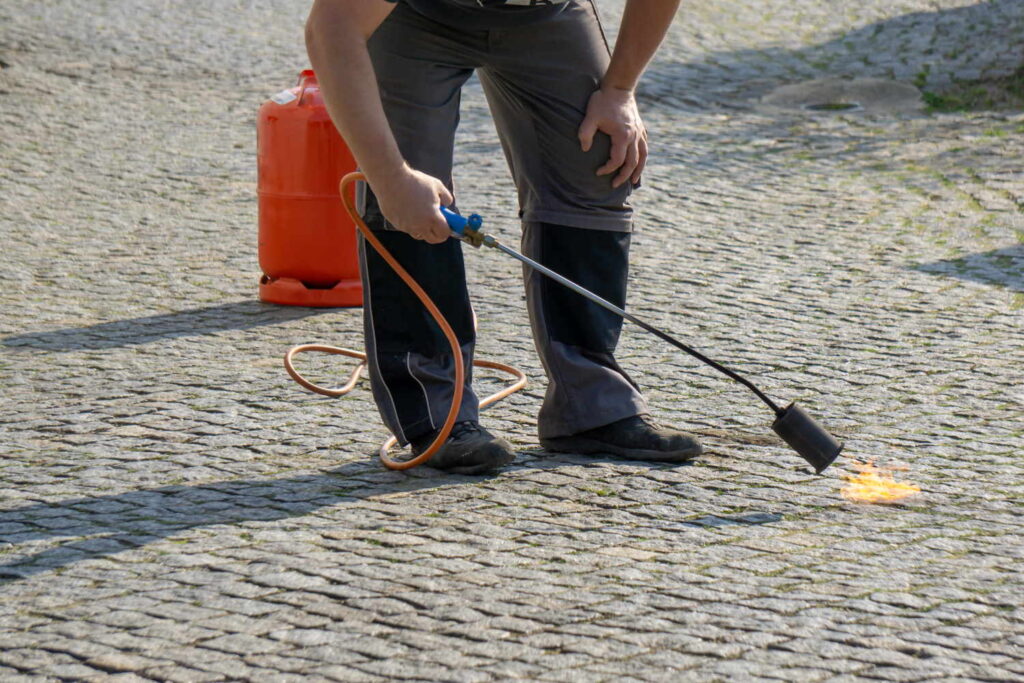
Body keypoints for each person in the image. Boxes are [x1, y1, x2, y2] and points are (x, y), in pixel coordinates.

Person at [305, 0, 701, 474]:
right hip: (414, 15)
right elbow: (332, 27)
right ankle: (438, 414)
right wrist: (390, 179)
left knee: (598, 159)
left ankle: (590, 408)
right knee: (411, 194)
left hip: (547, 14)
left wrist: (618, 90)